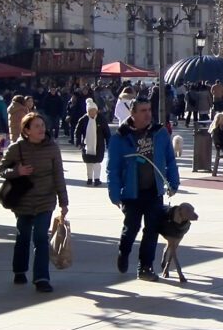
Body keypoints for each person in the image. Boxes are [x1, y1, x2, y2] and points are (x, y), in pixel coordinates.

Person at [107, 98, 180, 282]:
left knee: (152, 229)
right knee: (131, 228)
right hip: (132, 192)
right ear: (132, 114)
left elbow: (170, 160)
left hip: (154, 190)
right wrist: (114, 193)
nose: (148, 114)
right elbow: (113, 168)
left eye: (149, 109)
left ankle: (145, 267)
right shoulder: (120, 137)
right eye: (142, 110)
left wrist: (173, 182)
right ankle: (123, 251)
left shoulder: (160, 133)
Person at [0, 113, 68, 293]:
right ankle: (20, 270)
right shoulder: (17, 148)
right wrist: (17, 171)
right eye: (36, 126)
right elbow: (1, 169)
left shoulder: (52, 148)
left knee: (40, 237)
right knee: (23, 236)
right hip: (23, 200)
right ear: (26, 130)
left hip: (46, 199)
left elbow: (58, 175)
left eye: (42, 125)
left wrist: (63, 201)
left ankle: (41, 278)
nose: (41, 129)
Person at [75, 98, 111, 187]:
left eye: (94, 110)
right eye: (90, 111)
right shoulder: (83, 120)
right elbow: (78, 132)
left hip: (99, 145)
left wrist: (109, 143)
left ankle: (97, 179)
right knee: (89, 162)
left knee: (97, 162)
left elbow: (107, 132)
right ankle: (89, 178)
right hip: (87, 145)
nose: (92, 112)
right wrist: (78, 142)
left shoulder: (101, 119)